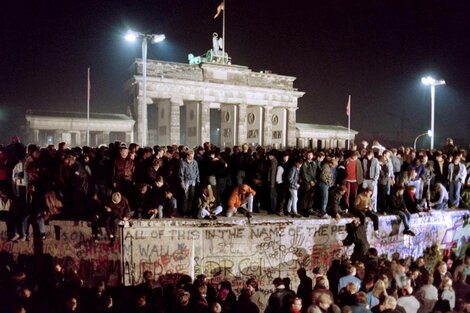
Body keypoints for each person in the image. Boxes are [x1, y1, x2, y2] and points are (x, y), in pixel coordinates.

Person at [179, 150, 200, 217]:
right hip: (186, 181)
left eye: (193, 156)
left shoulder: (195, 162)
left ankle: (189, 212)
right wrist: (182, 182)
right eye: (191, 156)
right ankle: (184, 212)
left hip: (193, 181)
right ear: (187, 156)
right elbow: (181, 174)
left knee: (192, 197)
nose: (192, 157)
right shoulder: (183, 163)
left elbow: (197, 172)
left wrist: (198, 181)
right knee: (185, 197)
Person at [301, 150, 318, 216]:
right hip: (307, 182)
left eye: (310, 155)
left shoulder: (314, 163)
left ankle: (309, 208)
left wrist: (314, 181)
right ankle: (304, 209)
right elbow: (305, 173)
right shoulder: (305, 163)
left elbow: (315, 173)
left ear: (313, 156)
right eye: (308, 155)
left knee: (312, 196)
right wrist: (310, 181)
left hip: (314, 181)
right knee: (307, 195)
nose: (309, 156)